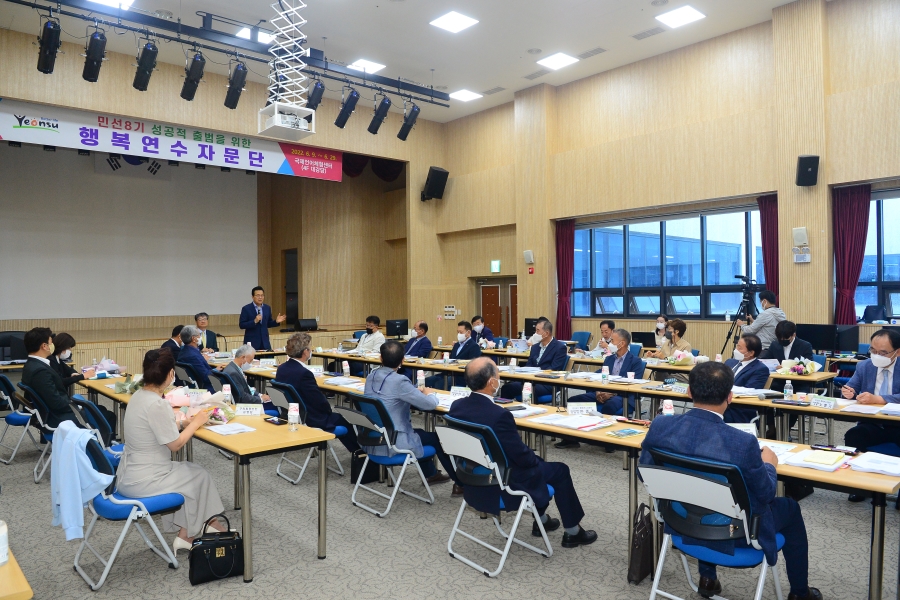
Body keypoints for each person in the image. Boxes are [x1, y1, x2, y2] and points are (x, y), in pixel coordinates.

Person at [640, 361, 821, 600]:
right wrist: (769, 464)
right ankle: (800, 593)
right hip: (735, 533)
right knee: (790, 507)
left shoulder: (661, 426)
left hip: (680, 521)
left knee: (699, 491)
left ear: (688, 392)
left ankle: (708, 578)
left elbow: (645, 473)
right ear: (730, 396)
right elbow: (766, 494)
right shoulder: (741, 443)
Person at [449, 358, 598, 547]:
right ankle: (573, 532)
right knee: (559, 470)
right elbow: (521, 457)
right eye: (497, 374)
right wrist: (535, 460)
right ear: (491, 382)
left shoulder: (457, 407)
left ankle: (541, 521)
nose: (499, 377)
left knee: (540, 463)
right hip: (504, 480)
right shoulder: (499, 415)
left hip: (472, 473)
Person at [116, 348, 227, 556]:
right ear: (170, 374)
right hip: (144, 480)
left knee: (191, 472)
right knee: (199, 475)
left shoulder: (140, 395)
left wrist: (185, 422)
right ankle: (191, 534)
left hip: (130, 472)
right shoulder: (157, 404)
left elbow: (156, 429)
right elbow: (175, 445)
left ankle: (201, 527)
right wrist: (197, 423)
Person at [364, 340, 462, 494]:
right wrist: (431, 394)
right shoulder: (400, 381)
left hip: (374, 437)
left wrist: (412, 392)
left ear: (380, 358)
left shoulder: (371, 375)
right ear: (403, 360)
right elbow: (429, 405)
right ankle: (460, 483)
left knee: (421, 435)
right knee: (437, 438)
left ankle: (431, 474)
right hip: (394, 441)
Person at [275, 333, 359, 453]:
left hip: (291, 414)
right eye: (310, 348)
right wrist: (328, 410)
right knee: (343, 419)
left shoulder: (282, 368)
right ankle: (359, 452)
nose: (311, 350)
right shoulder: (304, 373)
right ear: (305, 352)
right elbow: (319, 402)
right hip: (310, 418)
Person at [843, 329, 900, 502]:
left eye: (882, 352)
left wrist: (880, 399)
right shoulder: (864, 366)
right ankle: (860, 487)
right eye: (873, 350)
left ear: (897, 351)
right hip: (872, 423)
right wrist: (849, 392)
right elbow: (851, 387)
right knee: (853, 436)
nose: (876, 355)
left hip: (897, 425)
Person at [50, 332, 117, 436]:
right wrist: (82, 376)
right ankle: (106, 442)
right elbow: (61, 381)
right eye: (69, 348)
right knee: (109, 415)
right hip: (64, 406)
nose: (69, 351)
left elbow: (67, 369)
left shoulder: (56, 359)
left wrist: (74, 373)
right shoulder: (52, 361)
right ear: (62, 347)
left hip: (64, 402)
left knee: (101, 408)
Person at [21, 327, 80, 428]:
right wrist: (75, 407)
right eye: (51, 342)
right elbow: (55, 402)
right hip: (57, 418)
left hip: (51, 414)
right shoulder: (40, 371)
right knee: (106, 416)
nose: (53, 345)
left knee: (100, 411)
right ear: (44, 346)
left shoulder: (31, 364)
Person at [499, 319, 568, 402]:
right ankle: (506, 413)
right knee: (507, 388)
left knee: (531, 390)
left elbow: (554, 368)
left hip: (547, 383)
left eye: (538, 331)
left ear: (546, 333)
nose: (535, 334)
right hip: (531, 380)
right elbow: (529, 365)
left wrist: (537, 374)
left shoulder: (559, 347)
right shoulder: (535, 347)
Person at [722, 334, 769, 423]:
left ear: (751, 353)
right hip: (720, 403)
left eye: (740, 348)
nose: (736, 350)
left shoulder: (760, 369)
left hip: (737, 410)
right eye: (737, 346)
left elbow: (748, 392)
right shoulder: (730, 362)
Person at [425, 321, 482, 389]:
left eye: (461, 332)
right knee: (427, 381)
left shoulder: (474, 346)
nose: (458, 334)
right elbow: (451, 359)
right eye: (457, 332)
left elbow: (473, 365)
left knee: (439, 384)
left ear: (468, 333)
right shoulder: (457, 345)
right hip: (449, 373)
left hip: (461, 376)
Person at [223, 344, 275, 412]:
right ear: (243, 357)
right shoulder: (233, 373)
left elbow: (246, 388)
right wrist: (261, 399)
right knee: (275, 407)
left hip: (246, 400)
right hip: (244, 407)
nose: (251, 363)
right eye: (250, 360)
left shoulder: (232, 367)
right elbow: (242, 397)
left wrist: (259, 395)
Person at [177, 326, 223, 393]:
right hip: (207, 387)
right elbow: (206, 377)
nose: (200, 337)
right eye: (199, 335)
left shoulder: (184, 351)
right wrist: (216, 370)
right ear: (194, 338)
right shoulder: (193, 356)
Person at [239, 286, 285, 351]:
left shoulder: (267, 308)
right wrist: (254, 321)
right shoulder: (246, 309)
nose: (260, 297)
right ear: (252, 297)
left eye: (262, 295)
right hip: (252, 343)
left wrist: (276, 322)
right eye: (258, 295)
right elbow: (242, 325)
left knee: (267, 360)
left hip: (265, 342)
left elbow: (268, 323)